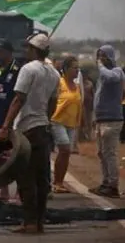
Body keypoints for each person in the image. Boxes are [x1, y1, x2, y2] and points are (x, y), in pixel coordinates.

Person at [0, 33, 60, 234]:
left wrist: (6, 126)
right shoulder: (54, 73)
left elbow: (18, 99)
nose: (26, 51)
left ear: (34, 50)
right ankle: (39, 221)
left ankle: (30, 222)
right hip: (43, 128)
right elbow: (52, 103)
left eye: (28, 48)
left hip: (26, 129)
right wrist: (46, 119)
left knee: (25, 176)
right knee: (41, 177)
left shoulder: (28, 69)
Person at [89, 45, 124, 198]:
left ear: (109, 56)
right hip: (101, 119)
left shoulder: (116, 72)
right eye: (99, 56)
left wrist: (100, 65)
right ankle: (105, 182)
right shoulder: (102, 76)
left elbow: (110, 77)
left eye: (103, 55)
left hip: (112, 120)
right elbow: (98, 96)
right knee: (102, 153)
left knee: (110, 153)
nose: (100, 59)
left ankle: (113, 185)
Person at [0, 40, 20, 200]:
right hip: (0, 117)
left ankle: (20, 190)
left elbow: (19, 97)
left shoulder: (17, 70)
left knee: (15, 155)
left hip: (14, 118)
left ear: (9, 52)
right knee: (1, 155)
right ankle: (3, 189)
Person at [50, 56, 82, 194]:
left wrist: (81, 121)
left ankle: (60, 182)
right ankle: (56, 182)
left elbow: (80, 105)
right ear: (66, 69)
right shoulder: (59, 83)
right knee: (64, 148)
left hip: (71, 123)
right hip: (57, 120)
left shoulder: (77, 86)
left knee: (66, 153)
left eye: (78, 68)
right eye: (74, 68)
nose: (77, 71)